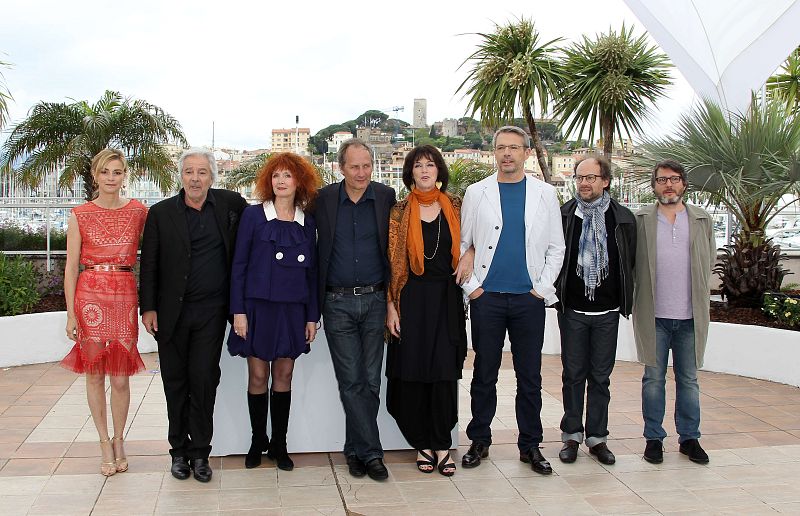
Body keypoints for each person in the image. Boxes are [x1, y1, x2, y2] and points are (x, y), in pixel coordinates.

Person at [460, 126, 565, 474]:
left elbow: (556, 247)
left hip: (528, 300)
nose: (507, 154)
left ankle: (530, 445)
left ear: (526, 153)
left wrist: (541, 289)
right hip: (487, 298)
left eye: (514, 148)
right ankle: (479, 440)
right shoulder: (477, 193)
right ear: (494, 152)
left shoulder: (545, 193)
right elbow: (464, 246)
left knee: (529, 376)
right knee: (484, 373)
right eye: (501, 148)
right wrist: (473, 289)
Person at [139, 148, 248, 482]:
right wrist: (149, 308)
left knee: (203, 381)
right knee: (175, 382)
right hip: (170, 315)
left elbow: (261, 225)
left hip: (212, 313)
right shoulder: (160, 213)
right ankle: (178, 452)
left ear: (212, 175)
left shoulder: (230, 205)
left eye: (202, 172)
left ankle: (201, 453)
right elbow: (150, 264)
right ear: (181, 175)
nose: (196, 178)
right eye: (189, 172)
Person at [228, 152, 320, 471]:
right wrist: (238, 312)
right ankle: (257, 440)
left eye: (287, 176)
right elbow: (238, 266)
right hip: (256, 310)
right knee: (257, 374)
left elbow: (313, 274)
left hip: (292, 312)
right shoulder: (254, 216)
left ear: (299, 182)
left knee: (284, 374)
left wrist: (312, 316)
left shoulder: (307, 222)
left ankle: (279, 444)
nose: (280, 182)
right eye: (276, 176)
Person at [312, 138, 396, 481]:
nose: (361, 173)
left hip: (377, 300)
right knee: (351, 381)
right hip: (336, 303)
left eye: (366, 165)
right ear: (340, 167)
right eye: (354, 166)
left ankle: (354, 449)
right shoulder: (324, 200)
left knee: (371, 382)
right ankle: (373, 453)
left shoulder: (386, 198)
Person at [61, 149, 147, 477]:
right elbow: (70, 267)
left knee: (121, 377)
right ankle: (103, 442)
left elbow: (155, 251)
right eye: (105, 172)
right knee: (94, 374)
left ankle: (120, 439)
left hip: (124, 293)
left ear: (125, 175)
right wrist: (71, 314)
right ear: (95, 175)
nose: (112, 178)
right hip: (90, 296)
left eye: (118, 172)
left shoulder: (139, 211)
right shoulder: (80, 214)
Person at [385, 145, 470, 477]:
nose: (424, 170)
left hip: (447, 298)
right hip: (410, 297)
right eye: (417, 165)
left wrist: (471, 253)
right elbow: (390, 262)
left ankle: (442, 443)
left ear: (439, 171)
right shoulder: (398, 211)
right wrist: (390, 305)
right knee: (412, 372)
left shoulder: (458, 207)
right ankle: (421, 441)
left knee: (444, 372)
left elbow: (477, 239)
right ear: (410, 173)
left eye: (430, 164)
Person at [633, 159, 716, 465]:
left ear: (683, 184)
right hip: (653, 316)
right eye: (662, 180)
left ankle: (690, 438)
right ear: (654, 185)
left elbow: (708, 263)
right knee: (653, 381)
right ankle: (653, 439)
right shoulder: (640, 219)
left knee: (689, 380)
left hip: (690, 317)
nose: (669, 185)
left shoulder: (702, 220)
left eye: (675, 179)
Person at [554, 156, 636, 465]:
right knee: (573, 375)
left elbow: (631, 265)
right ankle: (572, 436)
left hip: (608, 312)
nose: (584, 183)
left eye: (591, 177)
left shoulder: (624, 219)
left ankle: (598, 438)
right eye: (580, 178)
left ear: (605, 181)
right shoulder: (564, 216)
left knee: (601, 378)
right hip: (573, 310)